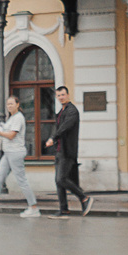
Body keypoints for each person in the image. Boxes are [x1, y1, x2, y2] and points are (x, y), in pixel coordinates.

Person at [46, 85, 89, 214]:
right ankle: (63, 209)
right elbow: (58, 127)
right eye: (58, 95)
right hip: (59, 150)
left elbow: (65, 127)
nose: (61, 97)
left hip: (67, 151)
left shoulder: (72, 111)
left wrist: (53, 138)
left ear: (68, 95)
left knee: (61, 179)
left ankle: (84, 197)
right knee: (58, 182)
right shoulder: (61, 112)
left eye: (63, 95)